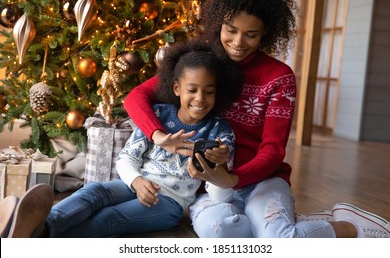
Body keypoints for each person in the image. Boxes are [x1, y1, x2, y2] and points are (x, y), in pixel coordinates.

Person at [123, 0, 390, 238]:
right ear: (219, 24)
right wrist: (157, 135)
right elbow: (136, 97)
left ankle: (347, 227)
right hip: (209, 187)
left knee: (280, 239)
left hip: (262, 180)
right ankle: (285, 225)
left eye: (251, 34)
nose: (238, 42)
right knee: (217, 233)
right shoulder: (203, 64)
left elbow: (274, 150)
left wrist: (234, 179)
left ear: (266, 33)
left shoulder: (278, 77)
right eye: (231, 29)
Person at [0, 39, 249, 238]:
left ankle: (38, 235)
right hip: (135, 184)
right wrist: (138, 182)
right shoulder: (159, 114)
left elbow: (219, 196)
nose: (200, 99)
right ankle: (36, 225)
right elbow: (127, 157)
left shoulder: (220, 131)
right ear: (176, 89)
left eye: (209, 92)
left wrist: (219, 169)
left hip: (171, 204)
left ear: (219, 92)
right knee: (94, 191)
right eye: (192, 90)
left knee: (110, 218)